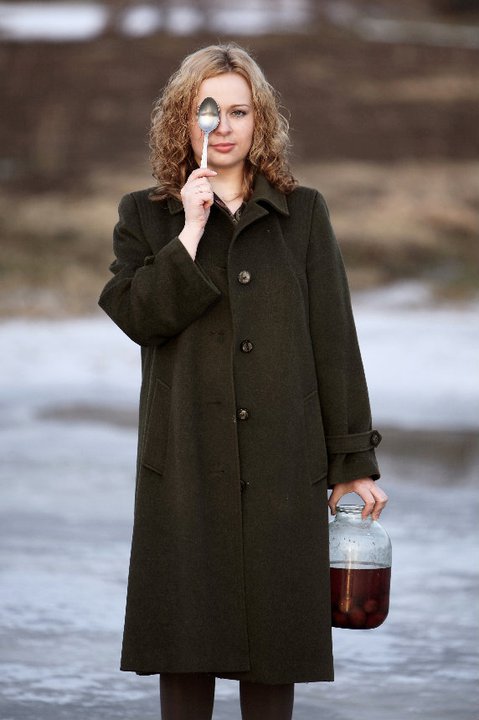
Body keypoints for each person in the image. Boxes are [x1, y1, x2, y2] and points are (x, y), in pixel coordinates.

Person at [99, 42, 388, 720]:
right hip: (185, 465)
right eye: (210, 110)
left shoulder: (303, 213)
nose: (224, 126)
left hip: (283, 463)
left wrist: (352, 462)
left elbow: (334, 340)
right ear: (183, 118)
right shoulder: (146, 214)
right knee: (186, 649)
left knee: (274, 652)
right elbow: (138, 316)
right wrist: (190, 232)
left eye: (239, 111)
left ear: (261, 121)